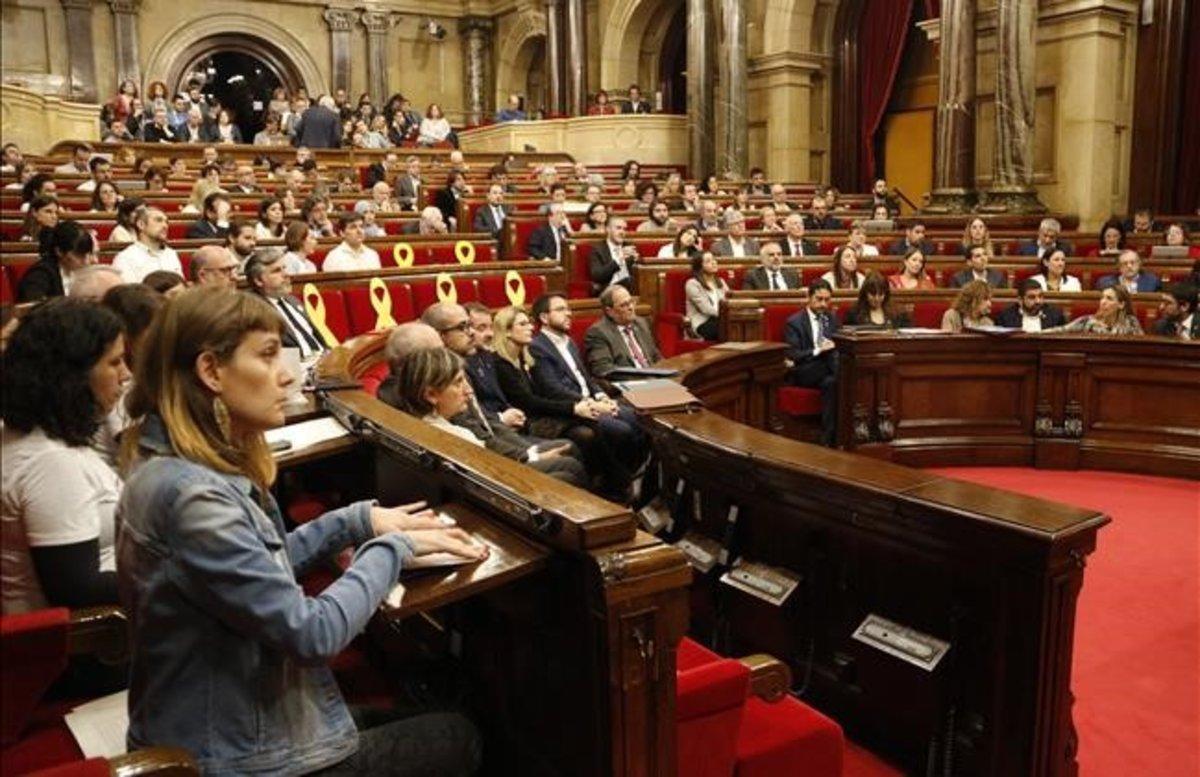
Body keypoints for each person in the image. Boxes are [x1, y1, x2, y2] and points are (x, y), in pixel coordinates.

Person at [115, 288, 484, 775]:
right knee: (458, 736)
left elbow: (261, 563)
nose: (288, 375)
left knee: (428, 708)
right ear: (210, 371)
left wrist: (357, 521)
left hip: (236, 720)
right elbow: (313, 635)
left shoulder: (181, 466)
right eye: (268, 356)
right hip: (232, 754)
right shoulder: (192, 496)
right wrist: (393, 547)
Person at [1, 299, 129, 614]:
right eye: (115, 363)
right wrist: (177, 577)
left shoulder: (37, 436)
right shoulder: (51, 463)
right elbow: (75, 587)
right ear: (72, 375)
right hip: (82, 648)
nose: (125, 375)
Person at [406, 310, 588, 485]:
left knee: (573, 447)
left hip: (501, 442)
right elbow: (483, 444)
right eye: (465, 327)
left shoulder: (482, 360)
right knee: (571, 458)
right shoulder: (446, 413)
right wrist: (526, 454)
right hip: (494, 467)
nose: (472, 333)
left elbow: (487, 419)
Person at [782, 279, 839, 446]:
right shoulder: (794, 322)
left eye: (827, 300)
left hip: (826, 373)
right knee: (832, 361)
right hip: (804, 370)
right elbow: (793, 354)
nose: (823, 304)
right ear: (809, 297)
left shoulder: (832, 319)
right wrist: (817, 350)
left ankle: (828, 439)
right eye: (819, 299)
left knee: (832, 383)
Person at [245, 248, 329, 360]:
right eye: (276, 271)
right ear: (258, 281)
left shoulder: (292, 300)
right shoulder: (254, 312)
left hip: (322, 363)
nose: (286, 274)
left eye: (284, 268)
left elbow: (317, 338)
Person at [584, 286, 663, 378]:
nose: (631, 307)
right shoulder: (598, 333)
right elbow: (603, 369)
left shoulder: (641, 323)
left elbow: (656, 356)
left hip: (655, 380)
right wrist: (641, 378)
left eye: (631, 302)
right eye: (624, 305)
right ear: (610, 311)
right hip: (630, 383)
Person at [16, 220, 96, 301]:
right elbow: (34, 308)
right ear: (59, 252)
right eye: (79, 255)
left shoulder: (83, 271)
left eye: (88, 254)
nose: (86, 261)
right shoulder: (39, 275)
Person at [112, 206, 183, 282]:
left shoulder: (171, 254)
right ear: (141, 225)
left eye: (166, 222)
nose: (165, 226)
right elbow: (130, 292)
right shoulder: (125, 258)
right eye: (158, 220)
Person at [1049, 286, 1144, 335]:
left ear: (1121, 304)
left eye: (1109, 298)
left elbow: (1142, 347)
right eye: (1102, 298)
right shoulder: (1087, 321)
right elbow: (1061, 330)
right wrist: (1036, 333)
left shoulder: (1131, 322)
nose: (1103, 302)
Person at [683, 251, 729, 341]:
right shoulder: (692, 283)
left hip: (722, 319)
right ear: (699, 266)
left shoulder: (721, 282)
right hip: (703, 322)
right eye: (708, 261)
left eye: (714, 259)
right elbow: (705, 308)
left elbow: (729, 300)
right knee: (727, 327)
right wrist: (727, 316)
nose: (713, 263)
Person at [994, 278, 1068, 332]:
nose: (1038, 301)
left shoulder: (1055, 316)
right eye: (1032, 297)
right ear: (1020, 300)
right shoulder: (1005, 318)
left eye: (1040, 296)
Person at [841, 272, 910, 329]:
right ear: (865, 293)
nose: (877, 299)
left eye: (881, 294)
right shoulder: (854, 313)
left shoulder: (898, 312)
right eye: (873, 294)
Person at [589, 217, 638, 294]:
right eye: (618, 228)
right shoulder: (597, 250)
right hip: (609, 289)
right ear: (608, 229)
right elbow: (597, 276)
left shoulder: (629, 246)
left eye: (624, 229)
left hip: (630, 288)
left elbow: (636, 274)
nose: (622, 232)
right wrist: (619, 260)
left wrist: (637, 262)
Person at [1095, 249, 1162, 293]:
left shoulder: (1152, 282)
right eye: (1125, 263)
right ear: (1119, 267)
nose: (1129, 266)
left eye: (1132, 263)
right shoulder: (1105, 283)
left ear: (1139, 264)